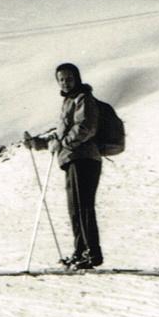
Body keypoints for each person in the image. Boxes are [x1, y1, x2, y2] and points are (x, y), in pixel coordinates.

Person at [28, 62, 104, 270]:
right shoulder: (68, 102)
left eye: (69, 78)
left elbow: (85, 127)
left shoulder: (83, 99)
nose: (65, 82)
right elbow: (61, 135)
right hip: (73, 159)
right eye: (61, 79)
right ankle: (81, 252)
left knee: (83, 206)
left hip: (84, 158)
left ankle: (91, 253)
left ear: (77, 78)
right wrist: (40, 143)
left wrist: (64, 143)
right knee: (75, 208)